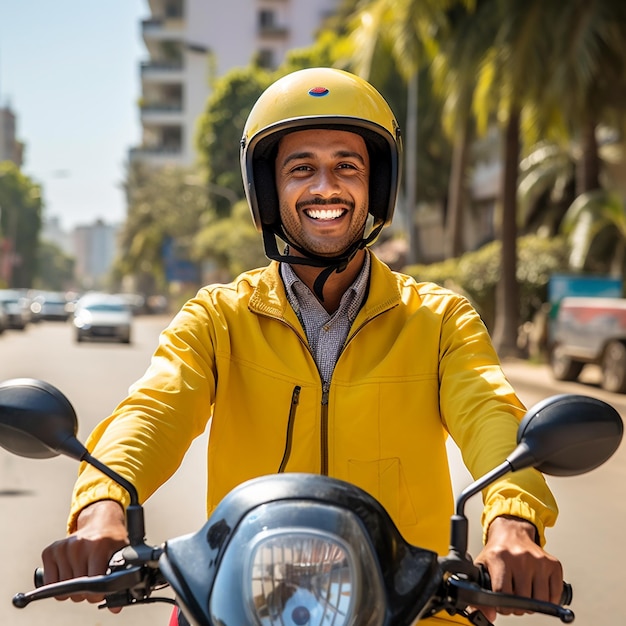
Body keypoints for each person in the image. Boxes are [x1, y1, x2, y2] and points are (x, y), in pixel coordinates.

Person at [42, 67, 562, 624]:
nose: (325, 187)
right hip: (246, 601)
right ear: (269, 190)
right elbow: (152, 410)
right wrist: (102, 506)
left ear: (375, 185)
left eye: (347, 166)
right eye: (301, 169)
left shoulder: (438, 320)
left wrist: (511, 522)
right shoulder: (218, 317)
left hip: (413, 608)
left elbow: (493, 414)